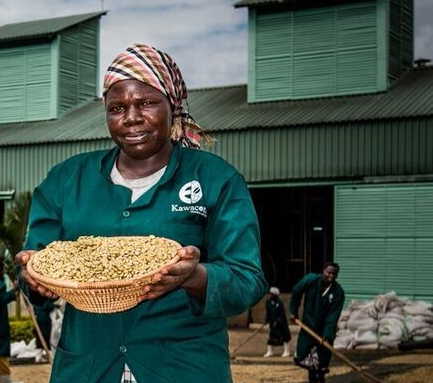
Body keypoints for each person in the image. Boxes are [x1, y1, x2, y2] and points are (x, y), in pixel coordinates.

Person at [15, 43, 267, 383]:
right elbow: (38, 262)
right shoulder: (66, 180)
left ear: (172, 105)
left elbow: (247, 280)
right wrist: (34, 278)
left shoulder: (215, 179)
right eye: (117, 107)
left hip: (183, 367)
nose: (132, 117)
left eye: (147, 102)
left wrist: (193, 277)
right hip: (90, 367)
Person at [290, 262, 345, 383]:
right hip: (308, 326)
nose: (331, 275)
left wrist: (326, 335)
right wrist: (293, 311)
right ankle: (312, 377)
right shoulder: (311, 280)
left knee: (322, 360)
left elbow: (333, 316)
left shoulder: (338, 293)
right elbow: (296, 291)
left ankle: (320, 378)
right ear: (323, 271)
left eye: (334, 274)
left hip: (324, 330)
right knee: (304, 354)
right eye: (328, 272)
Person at [264, 286, 291, 357]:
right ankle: (270, 352)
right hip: (272, 323)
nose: (271, 295)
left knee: (285, 337)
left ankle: (286, 351)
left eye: (272, 294)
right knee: (271, 337)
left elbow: (282, 314)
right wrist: (266, 320)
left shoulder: (279, 302)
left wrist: (278, 321)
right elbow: (268, 312)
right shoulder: (268, 302)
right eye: (270, 294)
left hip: (281, 323)